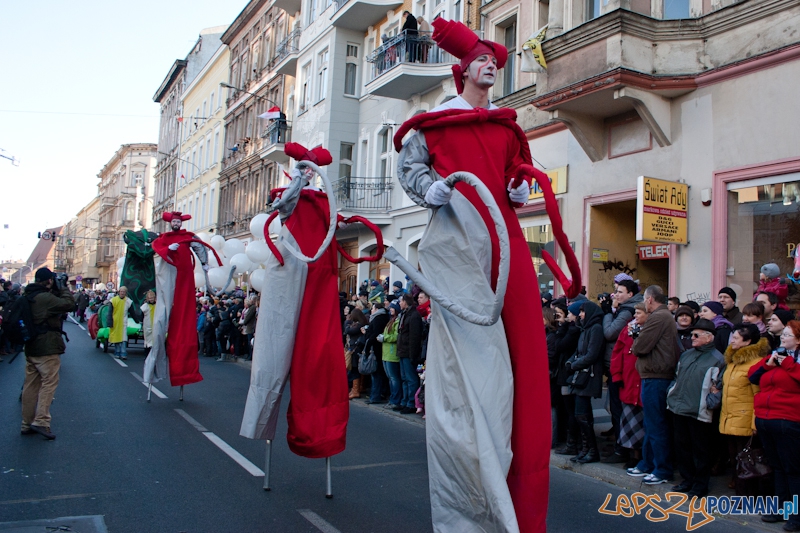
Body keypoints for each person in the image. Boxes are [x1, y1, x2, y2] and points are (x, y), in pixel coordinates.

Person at [393, 18, 581, 533]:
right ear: (463, 70)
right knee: (473, 360)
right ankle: (472, 494)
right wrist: (428, 188)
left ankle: (522, 505)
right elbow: (410, 168)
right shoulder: (436, 121)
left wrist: (516, 190)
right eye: (482, 58)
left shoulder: (504, 125)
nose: (492, 64)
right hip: (459, 244)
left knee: (525, 358)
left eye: (495, 59)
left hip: (508, 245)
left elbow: (514, 173)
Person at [144, 211, 219, 387]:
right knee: (162, 320)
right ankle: (155, 367)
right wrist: (168, 249)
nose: (176, 223)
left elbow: (199, 247)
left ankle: (183, 371)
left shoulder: (187, 237)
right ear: (171, 222)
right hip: (170, 274)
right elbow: (156, 247)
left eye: (179, 221)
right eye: (174, 221)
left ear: (181, 223)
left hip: (185, 277)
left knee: (183, 323)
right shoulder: (164, 238)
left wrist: (204, 262)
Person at [749, 320, 800, 530]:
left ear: (798, 340)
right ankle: (780, 508)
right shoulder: (775, 357)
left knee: (793, 469)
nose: (783, 338)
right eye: (783, 335)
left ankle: (796, 515)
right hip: (766, 419)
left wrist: (787, 363)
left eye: (787, 335)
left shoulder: (792, 361)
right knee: (777, 467)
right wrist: (766, 364)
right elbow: (752, 376)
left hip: (789, 419)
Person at [666, 318, 726, 498]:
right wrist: (671, 393)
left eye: (696, 335)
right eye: (691, 334)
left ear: (709, 338)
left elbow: (718, 386)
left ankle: (700, 485)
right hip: (679, 408)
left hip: (699, 411)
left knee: (701, 450)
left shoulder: (718, 359)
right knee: (682, 447)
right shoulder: (687, 355)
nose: (691, 337)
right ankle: (687, 480)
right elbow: (677, 377)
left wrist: (710, 402)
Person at [627, 285, 678, 486]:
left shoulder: (658, 317)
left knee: (656, 425)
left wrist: (636, 339)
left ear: (649, 300)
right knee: (650, 423)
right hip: (653, 375)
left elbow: (640, 347)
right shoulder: (663, 317)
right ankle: (647, 463)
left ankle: (662, 469)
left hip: (656, 377)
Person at [20, 268, 75, 440]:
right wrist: (64, 288)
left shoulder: (27, 296)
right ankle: (41, 421)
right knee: (48, 383)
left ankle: (26, 423)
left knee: (30, 385)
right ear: (49, 281)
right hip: (47, 347)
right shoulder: (44, 298)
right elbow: (69, 304)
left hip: (31, 347)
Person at [718, 323, 770, 491]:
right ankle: (739, 488)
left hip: (745, 419)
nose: (731, 340)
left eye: (735, 338)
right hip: (729, 416)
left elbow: (758, 395)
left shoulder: (756, 364)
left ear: (747, 342)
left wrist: (755, 423)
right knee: (734, 457)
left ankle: (747, 493)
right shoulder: (732, 362)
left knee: (746, 459)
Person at [600, 279, 642, 463]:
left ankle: (623, 450)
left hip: (625, 372)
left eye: (620, 292)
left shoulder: (627, 312)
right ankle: (621, 446)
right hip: (617, 367)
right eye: (615, 291)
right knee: (616, 410)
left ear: (630, 295)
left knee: (620, 411)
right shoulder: (624, 310)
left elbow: (609, 332)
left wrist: (608, 312)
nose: (616, 295)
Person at [565, 301, 605, 464]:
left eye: (582, 311)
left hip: (589, 376)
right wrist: (570, 361)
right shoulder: (585, 329)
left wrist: (573, 365)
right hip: (581, 375)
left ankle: (591, 450)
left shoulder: (595, 329)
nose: (580, 314)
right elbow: (578, 351)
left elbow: (592, 354)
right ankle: (585, 449)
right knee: (581, 414)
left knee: (583, 414)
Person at [610, 302, 647, 469]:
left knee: (645, 423)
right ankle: (633, 455)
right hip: (628, 381)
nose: (636, 316)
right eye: (636, 313)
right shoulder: (627, 329)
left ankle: (644, 457)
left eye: (639, 313)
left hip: (643, 381)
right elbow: (617, 353)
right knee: (630, 421)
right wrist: (617, 375)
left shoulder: (652, 330)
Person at [553, 301, 581, 455]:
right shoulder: (571, 329)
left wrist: (562, 327)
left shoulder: (572, 330)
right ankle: (572, 441)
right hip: (565, 372)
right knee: (568, 409)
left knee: (571, 409)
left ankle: (572, 443)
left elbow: (559, 345)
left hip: (567, 374)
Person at [396, 293, 422, 415]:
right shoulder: (404, 314)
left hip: (408, 352)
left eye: (401, 301)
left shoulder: (414, 315)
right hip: (402, 350)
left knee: (410, 379)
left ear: (406, 302)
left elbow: (414, 337)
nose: (399, 303)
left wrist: (413, 355)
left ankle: (411, 403)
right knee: (404, 378)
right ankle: (405, 401)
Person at [363, 302, 390, 404]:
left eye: (373, 308)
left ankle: (375, 396)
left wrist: (369, 340)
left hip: (376, 349)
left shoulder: (379, 318)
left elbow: (376, 333)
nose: (371, 310)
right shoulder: (379, 317)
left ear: (377, 309)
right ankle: (375, 395)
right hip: (377, 348)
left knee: (376, 373)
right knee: (377, 373)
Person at [381, 302, 402, 409]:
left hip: (392, 354)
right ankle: (392, 399)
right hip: (386, 353)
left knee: (394, 378)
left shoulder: (397, 321)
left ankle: (395, 400)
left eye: (392, 308)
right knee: (391, 378)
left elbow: (396, 336)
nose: (390, 309)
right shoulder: (391, 320)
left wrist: (385, 338)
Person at [108, 286, 133, 361]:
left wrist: (137, 320)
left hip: (123, 322)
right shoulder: (113, 300)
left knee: (123, 338)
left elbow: (132, 312)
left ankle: (123, 353)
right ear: (119, 292)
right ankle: (117, 352)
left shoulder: (128, 301)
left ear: (126, 293)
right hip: (115, 322)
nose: (122, 293)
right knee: (117, 338)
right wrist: (110, 322)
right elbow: (110, 312)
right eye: (121, 291)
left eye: (124, 292)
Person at [140, 290, 156, 356]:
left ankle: (154, 354)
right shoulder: (145, 306)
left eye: (152, 298)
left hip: (155, 325)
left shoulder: (157, 305)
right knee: (147, 341)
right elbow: (142, 315)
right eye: (150, 298)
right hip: (147, 325)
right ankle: (147, 354)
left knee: (155, 340)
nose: (151, 299)